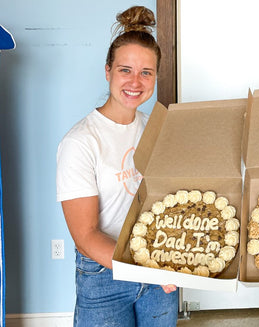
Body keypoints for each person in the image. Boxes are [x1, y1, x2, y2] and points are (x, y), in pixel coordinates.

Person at [56, 6, 179, 327]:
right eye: (125, 70)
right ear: (108, 71)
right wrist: (147, 267)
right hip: (103, 276)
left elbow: (169, 203)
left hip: (157, 266)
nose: (135, 82)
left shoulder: (157, 129)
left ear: (156, 76)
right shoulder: (80, 141)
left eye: (146, 72)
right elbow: (85, 235)